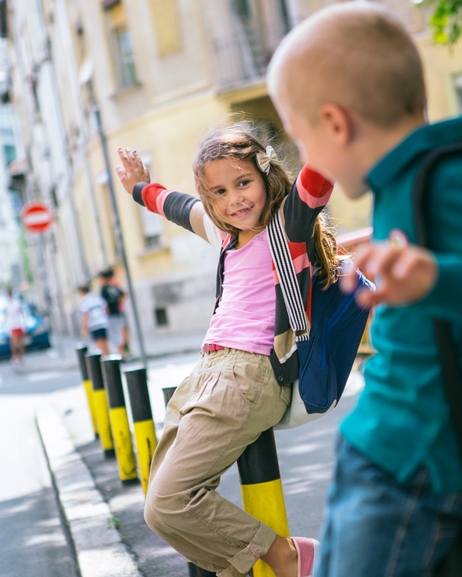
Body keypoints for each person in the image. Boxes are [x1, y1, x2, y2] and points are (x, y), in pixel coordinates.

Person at [266, 4, 462, 577]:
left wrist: (436, 278)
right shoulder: (406, 182)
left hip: (411, 466)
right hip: (394, 454)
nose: (309, 157)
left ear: (335, 124)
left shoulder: (447, 179)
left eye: (303, 137)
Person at [115, 122, 337, 577]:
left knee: (170, 502)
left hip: (248, 375)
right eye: (218, 192)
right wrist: (140, 187)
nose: (233, 199)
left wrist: (329, 125)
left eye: (243, 183)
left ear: (266, 176)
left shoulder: (286, 228)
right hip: (206, 374)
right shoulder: (223, 234)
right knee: (160, 507)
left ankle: (287, 557)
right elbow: (175, 206)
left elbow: (318, 178)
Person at [98, 268, 130, 355]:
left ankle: (121, 354)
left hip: (111, 314)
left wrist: (106, 310)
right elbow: (123, 294)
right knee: (122, 331)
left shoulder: (104, 289)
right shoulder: (114, 286)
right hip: (118, 312)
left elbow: (104, 304)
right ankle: (125, 352)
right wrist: (119, 303)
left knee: (116, 334)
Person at [78, 285, 110, 356]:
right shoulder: (97, 297)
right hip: (103, 321)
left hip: (94, 323)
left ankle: (104, 359)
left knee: (99, 342)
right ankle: (108, 357)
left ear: (82, 292)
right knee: (105, 340)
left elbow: (86, 315)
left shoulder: (84, 300)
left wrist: (85, 328)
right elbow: (106, 309)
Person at [6, 289, 25, 365]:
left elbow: (21, 313)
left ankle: (20, 357)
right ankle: (16, 356)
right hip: (13, 325)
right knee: (15, 343)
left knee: (19, 343)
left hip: (17, 324)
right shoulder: (7, 304)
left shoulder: (16, 303)